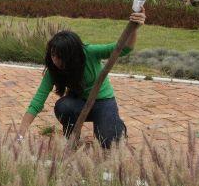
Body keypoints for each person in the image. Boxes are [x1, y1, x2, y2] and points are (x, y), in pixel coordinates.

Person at [16, 11, 147, 148]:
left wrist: (134, 28)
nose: (55, 60)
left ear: (72, 56)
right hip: (78, 103)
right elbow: (37, 101)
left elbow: (124, 48)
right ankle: (72, 133)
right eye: (53, 55)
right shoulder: (53, 70)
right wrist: (20, 135)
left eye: (60, 57)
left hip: (103, 101)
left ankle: (114, 124)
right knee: (63, 107)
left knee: (109, 142)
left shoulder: (89, 52)